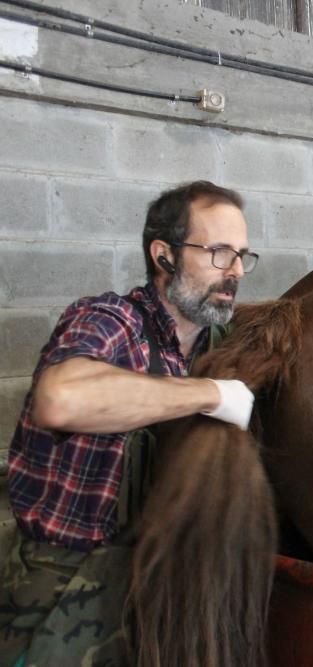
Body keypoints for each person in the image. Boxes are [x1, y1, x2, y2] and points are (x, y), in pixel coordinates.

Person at [0, 180, 258, 666]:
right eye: (220, 253)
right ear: (164, 256)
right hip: (64, 584)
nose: (237, 272)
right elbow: (61, 398)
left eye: (243, 255)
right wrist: (210, 395)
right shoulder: (111, 321)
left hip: (157, 583)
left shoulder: (215, 346)